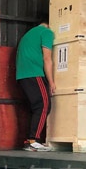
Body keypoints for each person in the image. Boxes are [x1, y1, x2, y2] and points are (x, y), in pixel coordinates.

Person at [16, 19, 56, 152]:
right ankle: (33, 140)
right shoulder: (47, 32)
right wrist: (51, 82)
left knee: (36, 107)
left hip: (22, 75)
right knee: (43, 105)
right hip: (34, 73)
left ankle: (31, 140)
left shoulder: (29, 34)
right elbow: (47, 58)